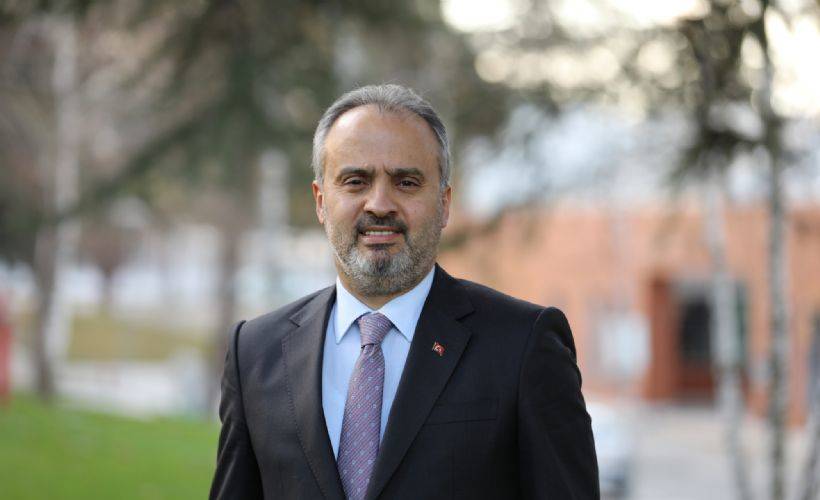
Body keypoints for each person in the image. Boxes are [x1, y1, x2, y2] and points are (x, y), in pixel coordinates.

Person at [209, 84, 599, 500]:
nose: (380, 204)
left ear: (444, 203)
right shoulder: (256, 352)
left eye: (406, 182)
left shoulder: (523, 345)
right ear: (321, 201)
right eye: (355, 181)